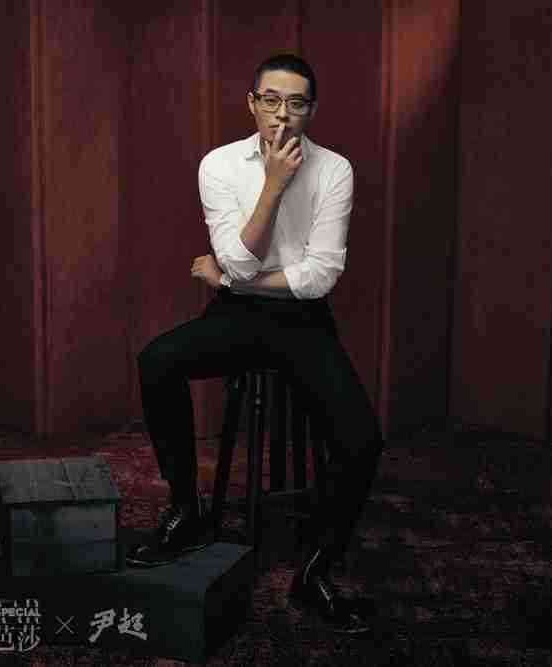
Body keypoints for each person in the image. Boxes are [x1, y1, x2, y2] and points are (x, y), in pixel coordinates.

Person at [126, 53, 384, 634]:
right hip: (238, 318)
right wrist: (273, 185)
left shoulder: (335, 170)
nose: (281, 115)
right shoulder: (219, 165)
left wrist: (227, 278)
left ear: (311, 111)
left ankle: (316, 570)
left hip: (303, 321)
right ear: (252, 103)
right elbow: (242, 265)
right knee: (157, 360)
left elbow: (319, 278)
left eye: (296, 103)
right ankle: (186, 511)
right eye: (270, 100)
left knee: (363, 440)